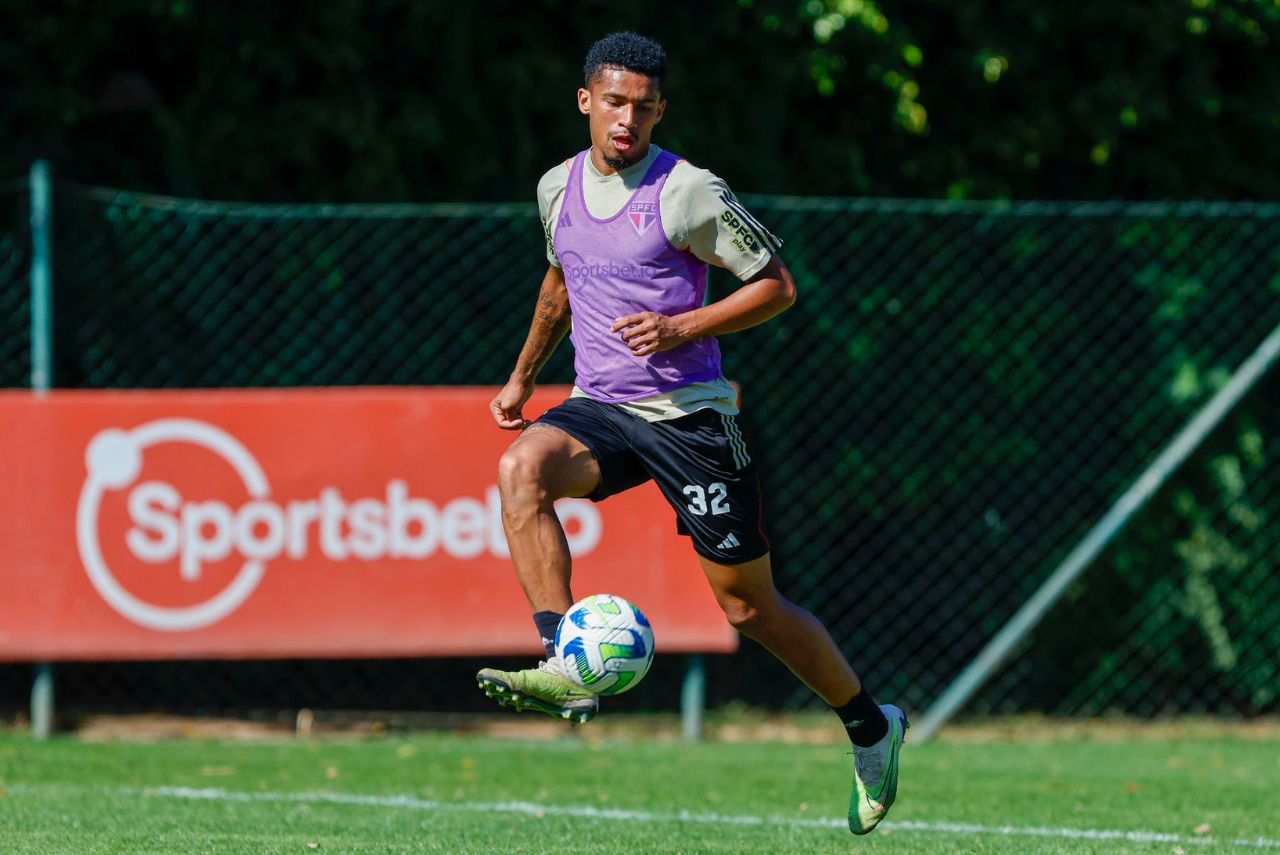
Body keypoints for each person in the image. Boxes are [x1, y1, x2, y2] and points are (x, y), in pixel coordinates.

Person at [475, 31, 906, 835]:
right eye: (613, 103)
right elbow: (559, 281)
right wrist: (523, 377)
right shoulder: (555, 188)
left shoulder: (688, 191)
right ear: (585, 102)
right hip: (601, 405)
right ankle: (567, 662)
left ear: (660, 110)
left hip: (691, 417)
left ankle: (871, 727)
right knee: (521, 469)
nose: (626, 120)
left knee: (750, 609)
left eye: (642, 107)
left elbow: (777, 286)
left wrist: (681, 327)